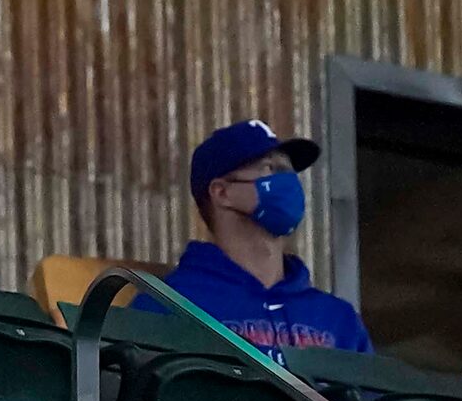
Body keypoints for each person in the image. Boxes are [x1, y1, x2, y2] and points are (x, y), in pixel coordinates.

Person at [159, 119, 372, 354]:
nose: (289, 182)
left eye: (290, 172)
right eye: (271, 169)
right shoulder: (169, 305)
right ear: (222, 193)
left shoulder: (339, 321)